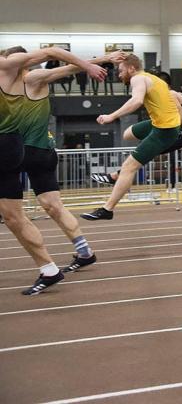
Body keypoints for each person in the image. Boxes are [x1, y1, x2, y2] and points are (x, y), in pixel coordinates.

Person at [0, 46, 108, 294]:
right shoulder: (18, 77)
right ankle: (83, 252)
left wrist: (95, 63)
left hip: (31, 149)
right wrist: (100, 60)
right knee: (49, 207)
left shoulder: (30, 76)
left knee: (24, 213)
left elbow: (59, 59)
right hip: (26, 148)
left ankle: (53, 266)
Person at [81, 54, 182, 221]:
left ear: (131, 68)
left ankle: (108, 208)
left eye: (121, 71)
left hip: (164, 130)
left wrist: (111, 116)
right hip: (164, 124)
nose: (119, 75)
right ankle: (120, 174)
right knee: (127, 134)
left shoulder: (138, 79)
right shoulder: (155, 79)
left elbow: (136, 101)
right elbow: (174, 103)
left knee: (129, 166)